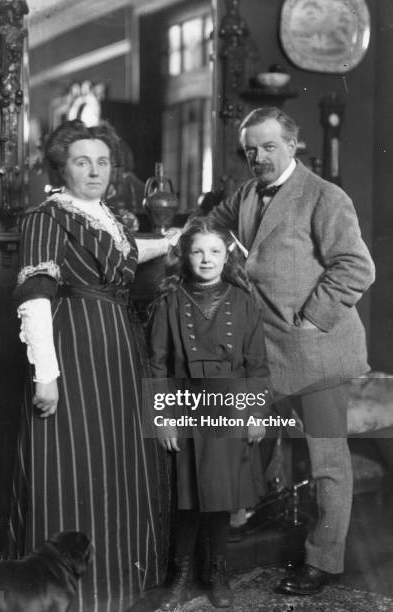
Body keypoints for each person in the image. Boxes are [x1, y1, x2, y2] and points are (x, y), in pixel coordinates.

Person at [9, 119, 180, 612]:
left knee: (117, 465)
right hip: (75, 350)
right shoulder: (46, 217)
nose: (94, 170)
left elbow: (125, 252)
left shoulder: (107, 215)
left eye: (102, 162)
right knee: (73, 467)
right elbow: (36, 296)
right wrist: (46, 375)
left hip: (119, 350)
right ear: (62, 167)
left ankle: (116, 587)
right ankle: (66, 596)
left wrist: (170, 240)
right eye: (82, 161)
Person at [209, 106, 375, 595]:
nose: (258, 157)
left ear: (293, 145)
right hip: (264, 353)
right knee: (238, 435)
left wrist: (309, 321)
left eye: (268, 147)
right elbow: (212, 224)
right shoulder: (245, 193)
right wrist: (222, 259)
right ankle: (234, 536)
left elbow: (356, 267)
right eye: (250, 150)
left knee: (326, 462)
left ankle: (323, 564)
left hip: (317, 352)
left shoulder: (325, 196)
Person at [148, 216, 270, 609]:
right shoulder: (169, 301)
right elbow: (156, 365)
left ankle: (217, 572)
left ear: (226, 256)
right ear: (185, 256)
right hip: (184, 405)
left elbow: (257, 365)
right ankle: (180, 575)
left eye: (214, 251)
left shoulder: (244, 302)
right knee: (186, 498)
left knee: (220, 496)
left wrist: (255, 414)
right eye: (198, 251)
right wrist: (162, 417)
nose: (206, 259)